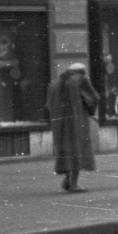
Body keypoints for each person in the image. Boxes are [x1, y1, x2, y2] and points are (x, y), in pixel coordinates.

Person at [45, 62, 98, 193]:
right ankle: (73, 184)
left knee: (67, 152)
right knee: (78, 150)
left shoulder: (55, 83)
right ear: (82, 71)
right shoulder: (81, 80)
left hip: (60, 125)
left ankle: (68, 181)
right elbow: (94, 97)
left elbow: (48, 105)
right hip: (77, 121)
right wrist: (90, 110)